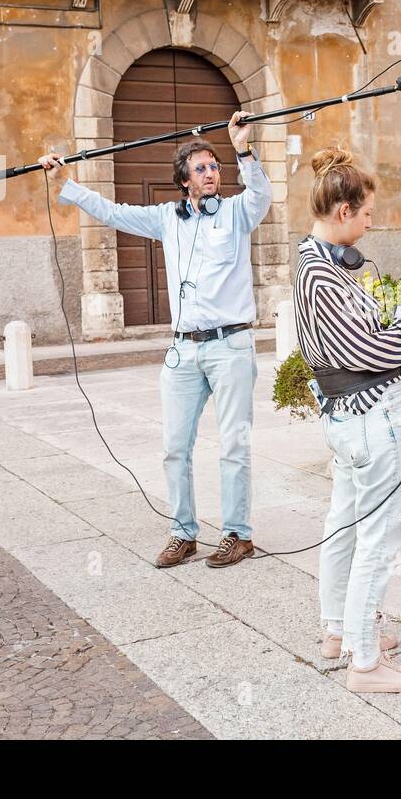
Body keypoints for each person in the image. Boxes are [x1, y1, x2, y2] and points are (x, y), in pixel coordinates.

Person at [38, 112, 270, 569]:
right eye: (200, 168)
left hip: (231, 346)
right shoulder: (168, 218)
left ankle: (237, 534)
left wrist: (243, 149)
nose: (210, 173)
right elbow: (113, 213)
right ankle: (183, 533)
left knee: (234, 444)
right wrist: (66, 181)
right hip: (184, 348)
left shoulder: (239, 212)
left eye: (214, 166)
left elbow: (261, 194)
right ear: (184, 180)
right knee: (174, 446)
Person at [292, 147, 401, 693]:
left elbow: (359, 334)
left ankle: (339, 632)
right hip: (368, 415)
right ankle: (365, 662)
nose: (372, 222)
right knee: (379, 534)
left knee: (345, 522)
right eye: (367, 214)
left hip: (350, 416)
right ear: (343, 210)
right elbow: (365, 350)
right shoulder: (320, 272)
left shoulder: (320, 261)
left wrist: (396, 320)